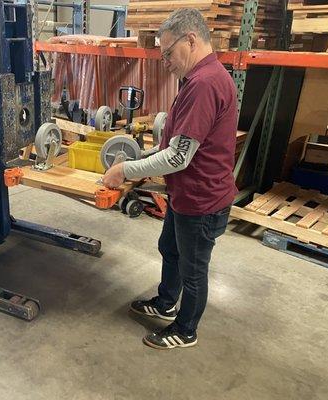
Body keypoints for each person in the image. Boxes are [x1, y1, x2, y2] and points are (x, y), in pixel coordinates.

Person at [102, 8, 238, 350]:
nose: (165, 61)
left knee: (193, 270)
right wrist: (141, 159)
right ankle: (165, 303)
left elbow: (179, 157)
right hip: (187, 193)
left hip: (202, 199)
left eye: (167, 53)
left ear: (190, 40)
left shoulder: (205, 83)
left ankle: (186, 328)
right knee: (170, 249)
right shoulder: (200, 79)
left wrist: (125, 170)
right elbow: (175, 145)